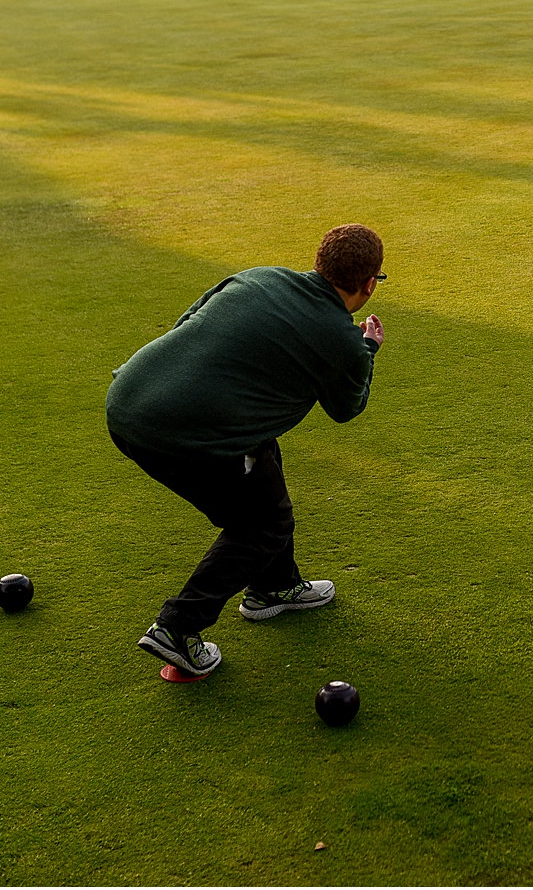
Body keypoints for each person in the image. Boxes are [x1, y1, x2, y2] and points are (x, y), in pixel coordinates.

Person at [107, 223, 386, 678]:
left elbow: (187, 322)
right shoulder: (343, 340)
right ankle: (177, 628)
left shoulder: (261, 275)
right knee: (260, 527)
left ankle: (275, 587)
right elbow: (345, 408)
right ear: (370, 283)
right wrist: (367, 349)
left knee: (262, 459)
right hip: (182, 435)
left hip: (128, 396)